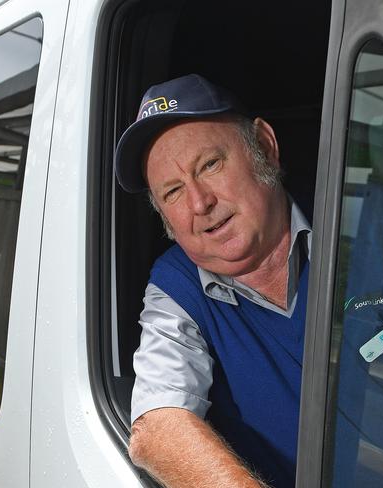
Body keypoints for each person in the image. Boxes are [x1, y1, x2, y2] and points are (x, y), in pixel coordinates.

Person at [114, 74, 312, 488]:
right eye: (172, 192)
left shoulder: (355, 221)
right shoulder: (177, 286)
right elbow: (157, 427)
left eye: (209, 165)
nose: (200, 203)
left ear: (264, 147)